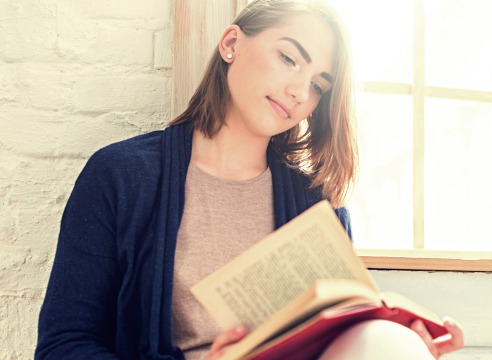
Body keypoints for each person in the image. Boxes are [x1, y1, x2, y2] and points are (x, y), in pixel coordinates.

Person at [35, 0, 463, 359]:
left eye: (318, 85)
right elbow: (63, 345)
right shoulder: (122, 176)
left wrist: (403, 343)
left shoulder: (317, 205)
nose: (299, 91)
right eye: (289, 58)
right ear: (231, 43)